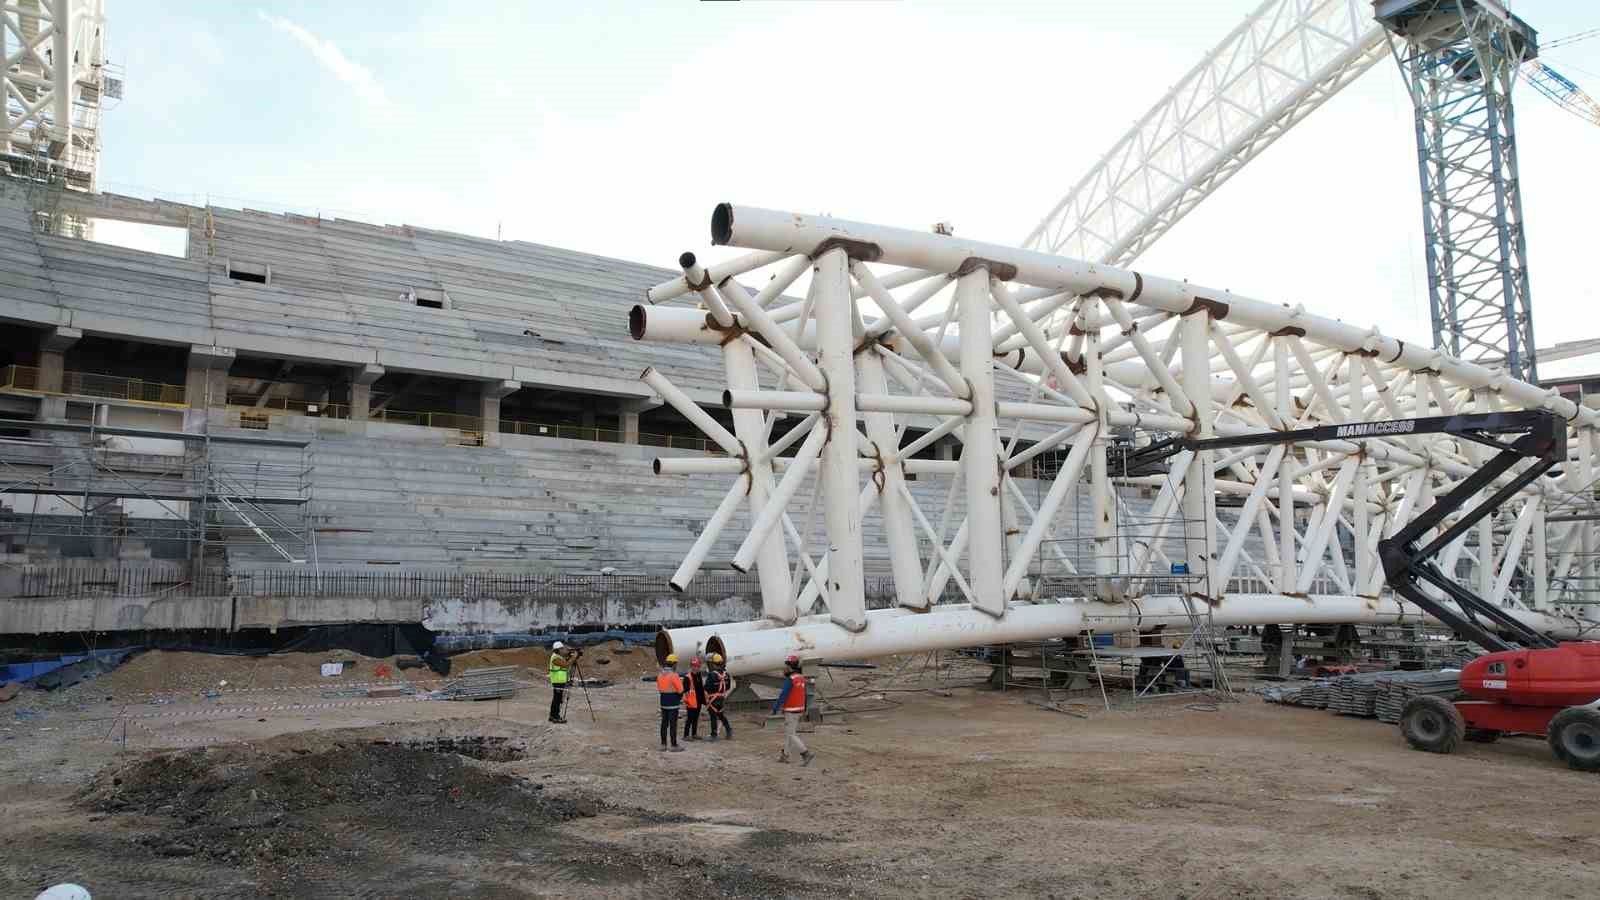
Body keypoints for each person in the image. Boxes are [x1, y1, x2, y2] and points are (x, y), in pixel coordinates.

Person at [770, 654, 813, 766]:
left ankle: (805, 753)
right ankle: (785, 755)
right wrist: (804, 708)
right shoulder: (801, 678)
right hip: (799, 709)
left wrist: (775, 708)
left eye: (786, 665)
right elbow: (804, 694)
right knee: (790, 733)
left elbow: (783, 695)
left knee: (791, 734)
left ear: (789, 666)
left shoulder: (790, 679)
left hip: (791, 710)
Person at [655, 654, 686, 752]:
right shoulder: (674, 675)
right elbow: (681, 690)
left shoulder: (660, 675)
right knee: (673, 724)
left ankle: (663, 744)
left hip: (663, 702)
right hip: (673, 703)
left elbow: (660, 689)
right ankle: (673, 745)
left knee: (664, 723)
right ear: (673, 664)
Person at [548, 641, 580, 724]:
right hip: (557, 681)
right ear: (557, 650)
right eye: (561, 649)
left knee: (557, 699)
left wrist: (571, 656)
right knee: (557, 699)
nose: (563, 650)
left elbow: (566, 662)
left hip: (560, 681)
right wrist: (574, 656)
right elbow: (566, 665)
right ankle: (555, 716)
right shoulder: (555, 658)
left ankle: (553, 715)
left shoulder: (559, 656)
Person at [706, 652, 733, 741]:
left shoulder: (711, 675)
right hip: (721, 698)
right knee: (721, 715)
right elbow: (728, 686)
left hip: (713, 699)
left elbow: (707, 687)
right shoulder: (726, 675)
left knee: (713, 716)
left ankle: (714, 734)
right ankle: (729, 730)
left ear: (713, 664)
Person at [682, 655, 707, 741]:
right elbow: (685, 690)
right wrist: (687, 701)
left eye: (697, 666)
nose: (695, 668)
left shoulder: (699, 675)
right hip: (691, 702)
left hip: (698, 700)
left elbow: (700, 688)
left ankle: (694, 734)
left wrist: (704, 700)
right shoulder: (687, 677)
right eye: (694, 666)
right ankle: (686, 735)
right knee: (690, 719)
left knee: (696, 718)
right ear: (691, 666)